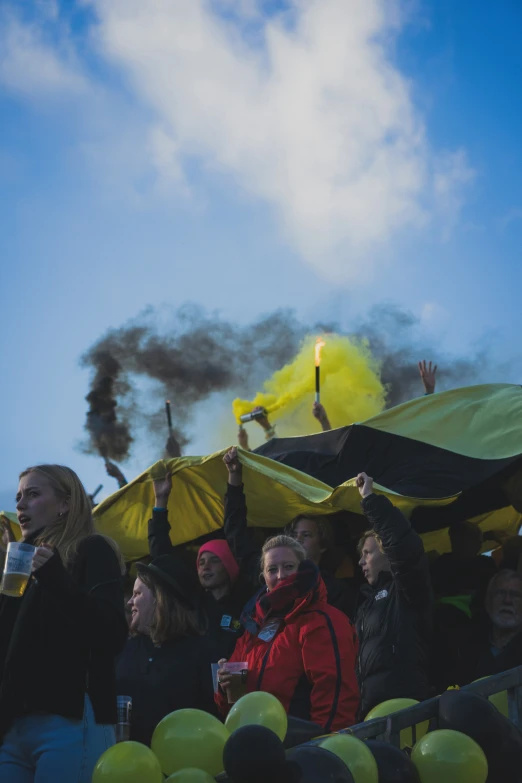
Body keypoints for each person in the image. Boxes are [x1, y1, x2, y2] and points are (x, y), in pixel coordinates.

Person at [0, 464, 127, 783]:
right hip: (13, 727)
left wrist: (56, 578)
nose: (20, 505)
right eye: (18, 498)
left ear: (65, 504)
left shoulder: (91, 550)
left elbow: (110, 634)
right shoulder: (20, 564)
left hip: (69, 718)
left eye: (33, 494)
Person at [216, 535, 359, 732]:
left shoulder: (322, 620)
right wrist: (223, 685)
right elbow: (232, 709)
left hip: (303, 751)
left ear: (303, 570)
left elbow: (336, 695)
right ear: (264, 578)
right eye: (272, 569)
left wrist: (322, 748)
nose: (281, 576)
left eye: (289, 567)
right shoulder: (252, 628)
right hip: (256, 746)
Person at [223, 447, 356, 616]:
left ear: (323, 545)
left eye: (306, 535)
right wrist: (234, 477)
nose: (297, 540)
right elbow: (236, 535)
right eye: (294, 535)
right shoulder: (269, 577)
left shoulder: (336, 591)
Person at [116, 555, 216, 746]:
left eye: (137, 594)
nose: (130, 602)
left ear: (158, 599)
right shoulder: (124, 649)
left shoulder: (201, 652)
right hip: (125, 764)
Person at [148, 472, 249, 658]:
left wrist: (234, 478)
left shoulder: (246, 605)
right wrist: (160, 501)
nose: (205, 567)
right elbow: (162, 558)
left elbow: (236, 528)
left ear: (230, 566)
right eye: (201, 562)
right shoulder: (192, 603)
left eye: (215, 560)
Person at [355, 472, 432, 718]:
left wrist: (369, 499)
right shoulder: (364, 608)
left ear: (387, 550)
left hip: (408, 711)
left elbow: (404, 546)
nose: (360, 561)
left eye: (367, 553)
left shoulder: (406, 590)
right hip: (369, 718)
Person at [473, 570, 522, 678]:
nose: (507, 600)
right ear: (487, 602)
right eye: (500, 593)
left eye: (515, 595)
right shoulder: (468, 647)